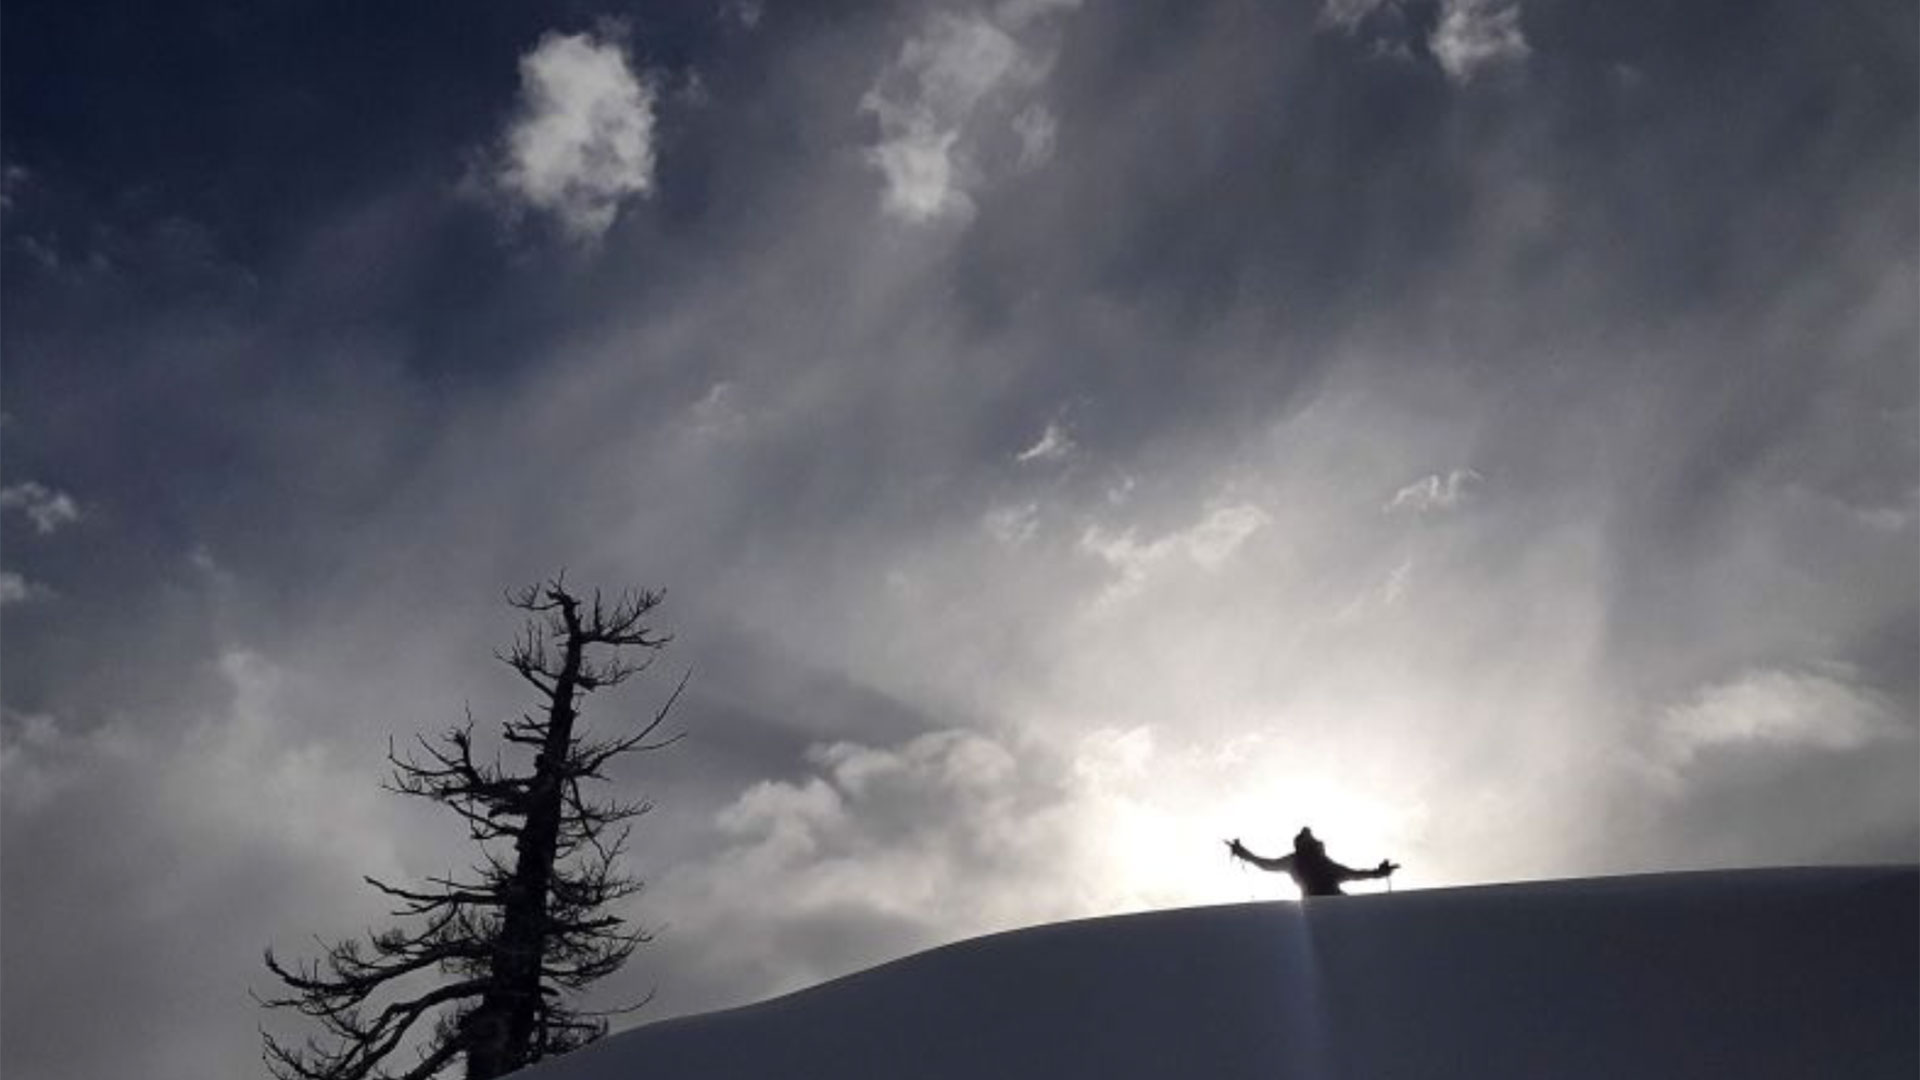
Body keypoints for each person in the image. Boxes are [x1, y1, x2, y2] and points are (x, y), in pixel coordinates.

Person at [1226, 826, 1399, 897]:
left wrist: (1379, 873)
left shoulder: (1313, 862)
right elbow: (1266, 864)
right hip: (1324, 907)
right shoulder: (1301, 861)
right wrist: (1379, 873)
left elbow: (1355, 874)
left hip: (1327, 906)